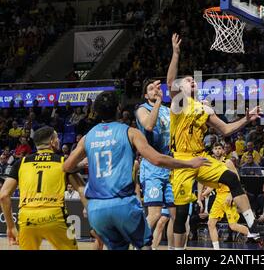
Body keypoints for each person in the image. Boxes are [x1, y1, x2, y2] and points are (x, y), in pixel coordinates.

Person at [62, 91, 210, 250]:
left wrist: (84, 163)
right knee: (145, 245)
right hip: (122, 204)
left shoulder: (87, 137)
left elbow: (67, 167)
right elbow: (157, 159)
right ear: (119, 109)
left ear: (96, 112)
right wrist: (189, 164)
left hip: (97, 209)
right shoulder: (130, 132)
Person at [166, 33, 264, 249]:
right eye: (187, 80)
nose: (191, 82)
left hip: (201, 159)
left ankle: (252, 226)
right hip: (181, 162)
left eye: (193, 80)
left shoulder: (204, 108)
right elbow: (170, 82)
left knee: (232, 179)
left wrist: (246, 118)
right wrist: (176, 54)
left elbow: (225, 130)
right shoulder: (179, 104)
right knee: (180, 214)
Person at [0, 126, 84, 250]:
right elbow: (82, 190)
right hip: (56, 217)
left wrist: (11, 227)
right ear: (52, 142)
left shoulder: (21, 163)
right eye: (57, 138)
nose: (59, 141)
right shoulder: (63, 162)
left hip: (26, 219)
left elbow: (3, 195)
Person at [135, 79, 175, 239]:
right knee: (155, 214)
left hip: (171, 165)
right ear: (146, 95)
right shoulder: (142, 109)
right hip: (153, 166)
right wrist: (159, 101)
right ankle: (138, 245)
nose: (154, 91)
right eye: (150, 89)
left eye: (156, 88)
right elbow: (149, 126)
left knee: (177, 215)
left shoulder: (167, 110)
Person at [203, 143, 250, 250]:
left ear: (223, 151)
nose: (218, 150)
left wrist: (231, 194)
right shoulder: (212, 164)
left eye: (220, 148)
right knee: (211, 223)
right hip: (218, 196)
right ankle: (216, 249)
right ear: (213, 151)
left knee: (233, 226)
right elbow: (214, 183)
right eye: (215, 148)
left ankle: (254, 235)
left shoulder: (227, 162)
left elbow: (236, 179)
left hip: (228, 195)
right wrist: (204, 193)